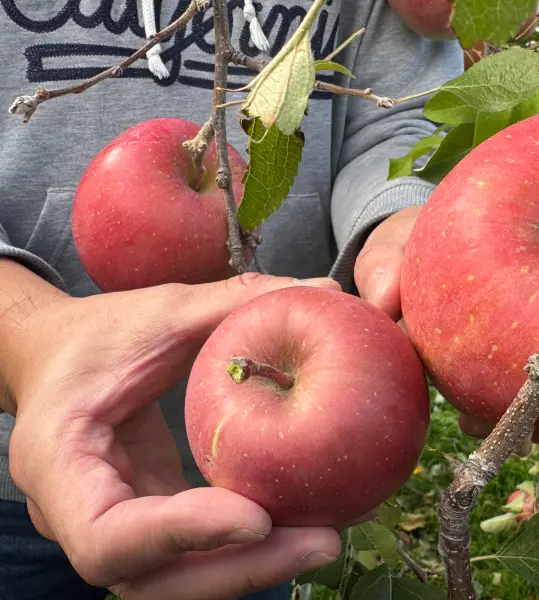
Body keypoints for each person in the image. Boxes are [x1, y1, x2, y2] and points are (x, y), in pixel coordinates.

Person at [0, 1, 463, 599]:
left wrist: (404, 223)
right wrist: (23, 339)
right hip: (11, 458)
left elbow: (403, 115)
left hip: (261, 488)